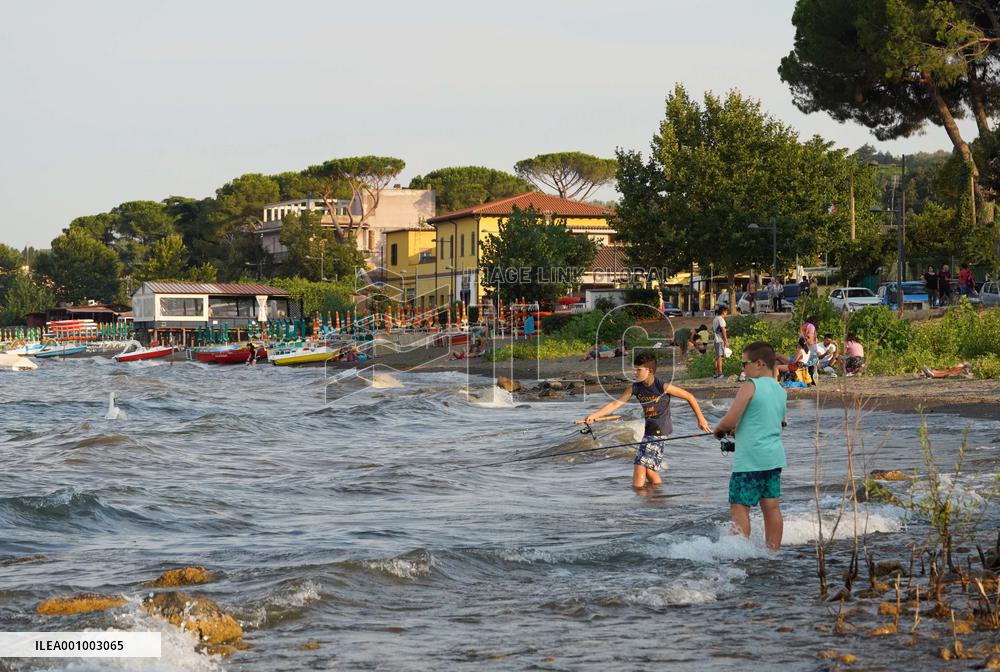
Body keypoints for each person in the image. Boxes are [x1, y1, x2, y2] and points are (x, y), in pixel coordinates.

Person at [583, 352, 712, 488]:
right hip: (649, 431)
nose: (635, 372)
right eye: (634, 369)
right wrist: (595, 415)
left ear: (649, 370)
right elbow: (615, 404)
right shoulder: (635, 388)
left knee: (639, 466)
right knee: (650, 471)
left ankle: (637, 500)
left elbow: (689, 396)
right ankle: (658, 498)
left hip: (660, 430)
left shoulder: (662, 386)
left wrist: (701, 419)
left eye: (638, 370)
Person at [713, 341, 787, 551]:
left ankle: (739, 554)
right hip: (773, 459)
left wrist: (719, 430)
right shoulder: (781, 391)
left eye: (744, 363)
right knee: (771, 508)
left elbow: (729, 420)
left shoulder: (750, 385)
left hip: (750, 461)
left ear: (760, 364)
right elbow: (773, 421)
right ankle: (773, 553)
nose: (742, 368)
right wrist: (739, 429)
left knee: (739, 506)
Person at [712, 306, 730, 379]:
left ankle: (716, 373)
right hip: (720, 340)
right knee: (720, 357)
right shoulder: (721, 319)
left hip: (716, 340)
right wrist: (726, 340)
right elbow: (723, 330)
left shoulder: (715, 319)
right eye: (726, 312)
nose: (726, 313)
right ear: (723, 312)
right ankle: (720, 373)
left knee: (717, 357)